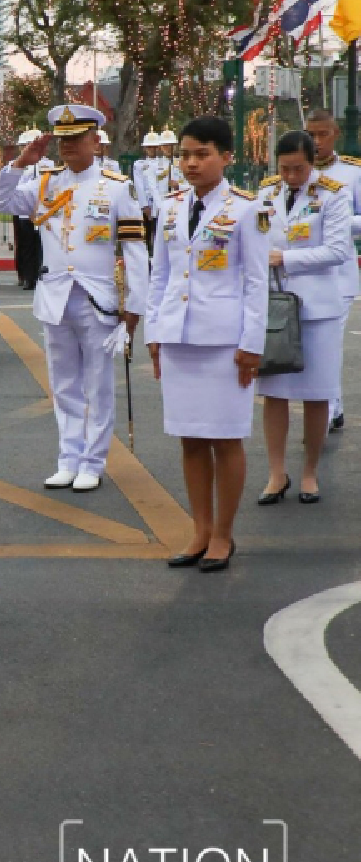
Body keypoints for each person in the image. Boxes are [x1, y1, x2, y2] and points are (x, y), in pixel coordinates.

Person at [0, 106, 147, 492]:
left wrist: (134, 311)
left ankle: (92, 462)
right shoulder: (45, 182)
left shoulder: (115, 186)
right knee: (63, 385)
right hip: (56, 295)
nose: (68, 146)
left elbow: (135, 250)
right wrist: (18, 164)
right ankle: (68, 458)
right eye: (62, 139)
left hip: (98, 298)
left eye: (76, 138)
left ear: (95, 140)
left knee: (97, 384)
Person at [147, 116, 266, 573]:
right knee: (191, 439)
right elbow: (161, 276)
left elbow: (256, 283)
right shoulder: (172, 206)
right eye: (185, 154)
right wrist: (156, 334)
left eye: (202, 154)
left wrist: (251, 344)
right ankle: (199, 530)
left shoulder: (246, 209)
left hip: (224, 342)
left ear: (226, 157)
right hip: (179, 338)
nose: (191, 163)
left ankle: (223, 535)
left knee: (226, 439)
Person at [255, 131, 352, 504]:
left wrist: (287, 258)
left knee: (317, 393)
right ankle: (276, 473)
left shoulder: (332, 193)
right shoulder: (266, 193)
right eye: (284, 169)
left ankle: (310, 472)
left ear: (312, 162)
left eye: (298, 168)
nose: (291, 176)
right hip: (276, 303)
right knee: (274, 393)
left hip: (317, 309)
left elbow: (338, 251)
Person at [302, 108, 360, 430]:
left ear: (335, 134)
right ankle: (328, 405)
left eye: (323, 134)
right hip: (303, 271)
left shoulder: (352, 172)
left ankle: (330, 407)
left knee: (329, 342)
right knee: (309, 344)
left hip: (338, 272)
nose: (317, 141)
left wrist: (336, 223)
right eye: (311, 134)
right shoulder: (296, 173)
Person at [10, 129, 49, 291]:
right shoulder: (18, 165)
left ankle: (40, 274)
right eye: (25, 145)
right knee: (25, 245)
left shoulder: (48, 165)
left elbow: (48, 188)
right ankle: (27, 277)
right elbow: (16, 188)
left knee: (40, 245)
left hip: (42, 211)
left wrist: (38, 207)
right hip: (24, 211)